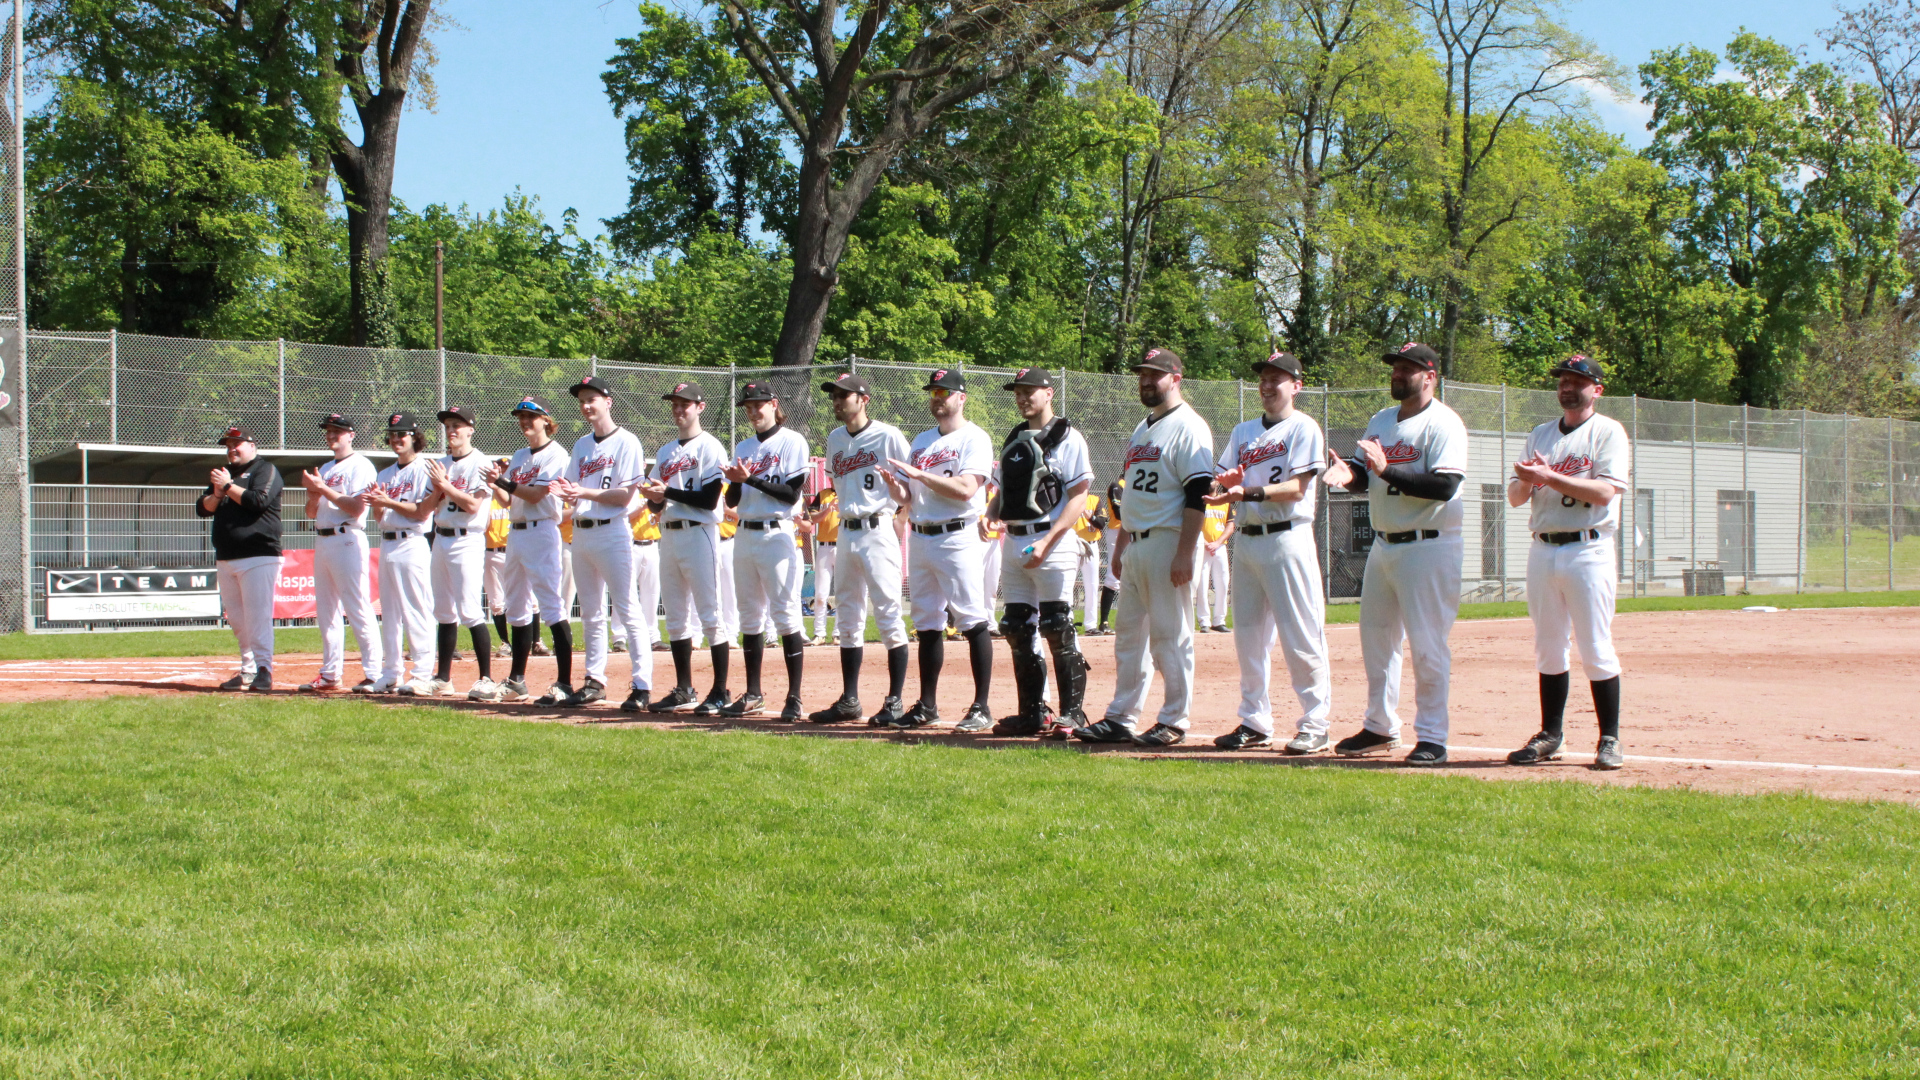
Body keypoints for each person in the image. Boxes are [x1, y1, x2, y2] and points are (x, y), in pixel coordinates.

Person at [1322, 342, 1469, 766]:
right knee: (1378, 641)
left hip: (1431, 544)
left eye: (1407, 368)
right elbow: (1364, 478)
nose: (1397, 374)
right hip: (1385, 545)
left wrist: (1386, 470)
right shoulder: (1382, 420)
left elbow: (1445, 487)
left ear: (1430, 376)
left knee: (1427, 644)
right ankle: (1380, 726)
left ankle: (1433, 737)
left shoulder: (1444, 423)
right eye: (1395, 367)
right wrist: (1346, 475)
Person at [1075, 347, 1214, 748]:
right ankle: (1121, 717)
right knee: (1129, 637)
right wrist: (1121, 545)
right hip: (1137, 542)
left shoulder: (1190, 426)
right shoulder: (1143, 428)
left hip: (1170, 540)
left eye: (1156, 374)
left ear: (1176, 379)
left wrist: (1186, 552)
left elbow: (1198, 494)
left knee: (1171, 636)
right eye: (1142, 374)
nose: (1147, 381)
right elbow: (1132, 495)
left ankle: (1175, 719)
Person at [1504, 355, 1629, 771]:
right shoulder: (1541, 434)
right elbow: (1516, 497)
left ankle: (1609, 738)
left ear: (1597, 389)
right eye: (1562, 380)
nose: (1567, 386)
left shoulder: (1608, 432)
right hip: (1543, 547)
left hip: (1588, 549)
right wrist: (1528, 478)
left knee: (1595, 644)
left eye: (1578, 380)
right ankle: (1550, 734)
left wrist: (1548, 477)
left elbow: (1605, 493)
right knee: (1548, 645)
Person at [1204, 352, 1334, 754]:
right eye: (1263, 378)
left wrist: (1249, 491)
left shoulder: (1303, 427)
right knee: (1248, 639)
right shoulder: (1243, 432)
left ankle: (1315, 723)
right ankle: (1255, 721)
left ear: (1296, 386)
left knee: (1301, 635)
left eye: (1276, 378)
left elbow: (1297, 488)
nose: (1266, 384)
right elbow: (1221, 483)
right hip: (1248, 540)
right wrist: (1221, 485)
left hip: (1288, 538)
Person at [884, 368, 996, 732]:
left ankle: (981, 707)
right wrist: (895, 488)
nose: (938, 398)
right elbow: (908, 496)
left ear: (961, 397)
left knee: (971, 618)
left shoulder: (974, 438)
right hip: (921, 535)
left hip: (958, 536)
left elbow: (965, 488)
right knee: (927, 622)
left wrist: (918, 476)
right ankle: (927, 704)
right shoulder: (920, 441)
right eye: (934, 392)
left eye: (944, 392)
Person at [984, 366, 1094, 737]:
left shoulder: (1068, 437)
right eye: (1018, 391)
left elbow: (1078, 496)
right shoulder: (1015, 436)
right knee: (1016, 626)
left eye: (1030, 390)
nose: (1022, 397)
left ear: (1049, 393)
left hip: (1053, 540)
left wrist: (1048, 543)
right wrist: (990, 513)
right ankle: (1034, 711)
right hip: (1014, 539)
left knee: (1056, 625)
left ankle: (1073, 714)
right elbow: (1004, 491)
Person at [808, 371, 912, 725]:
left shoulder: (888, 435)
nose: (837, 400)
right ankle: (849, 700)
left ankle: (895, 700)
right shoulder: (835, 438)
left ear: (863, 399)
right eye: (834, 395)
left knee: (888, 615)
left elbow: (910, 483)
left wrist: (899, 518)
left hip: (878, 529)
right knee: (848, 618)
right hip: (846, 533)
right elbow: (839, 484)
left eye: (844, 395)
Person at [551, 374, 654, 711]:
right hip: (581, 532)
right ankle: (594, 681)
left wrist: (582, 491)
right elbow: (571, 485)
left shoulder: (627, 442)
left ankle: (642, 685)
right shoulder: (581, 446)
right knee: (592, 613)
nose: (585, 405)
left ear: (608, 402)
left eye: (591, 399)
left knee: (627, 608)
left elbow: (624, 496)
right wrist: (565, 493)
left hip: (612, 531)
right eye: (582, 400)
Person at [720, 379, 812, 721]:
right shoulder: (743, 446)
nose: (753, 410)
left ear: (774, 404)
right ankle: (754, 693)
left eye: (759, 404)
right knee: (749, 616)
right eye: (748, 406)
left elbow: (790, 495)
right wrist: (733, 481)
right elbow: (733, 499)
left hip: (778, 533)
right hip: (745, 533)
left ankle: (795, 697)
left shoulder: (792, 441)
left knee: (786, 615)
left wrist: (750, 480)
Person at [641, 380, 732, 715]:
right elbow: (656, 504)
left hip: (700, 533)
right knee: (676, 617)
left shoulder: (710, 447)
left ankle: (720, 691)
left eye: (685, 404)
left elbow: (709, 500)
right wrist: (654, 499)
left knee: (710, 615)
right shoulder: (665, 452)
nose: (679, 410)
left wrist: (667, 493)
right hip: (669, 533)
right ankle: (684, 689)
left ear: (700, 407)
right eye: (675, 405)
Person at [488, 397, 573, 706]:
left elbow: (537, 495)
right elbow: (510, 501)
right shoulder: (521, 455)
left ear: (546, 420)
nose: (525, 421)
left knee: (551, 606)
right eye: (521, 416)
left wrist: (502, 482)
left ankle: (564, 683)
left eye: (531, 416)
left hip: (542, 532)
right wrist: (493, 484)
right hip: (517, 533)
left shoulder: (556, 453)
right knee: (516, 607)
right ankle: (516, 681)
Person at [417, 404, 499, 701]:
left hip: (467, 539)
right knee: (443, 611)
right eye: (448, 425)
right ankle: (443, 679)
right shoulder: (440, 463)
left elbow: (474, 505)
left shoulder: (479, 462)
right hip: (441, 537)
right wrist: (438, 489)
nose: (452, 430)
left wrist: (444, 485)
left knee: (469, 609)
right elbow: (425, 509)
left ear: (470, 429)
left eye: (457, 425)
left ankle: (487, 678)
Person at [298, 413, 383, 692]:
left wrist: (323, 487)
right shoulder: (326, 467)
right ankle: (330, 673)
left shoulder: (361, 465)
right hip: (323, 539)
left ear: (351, 435)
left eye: (338, 430)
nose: (332, 435)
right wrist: (313, 494)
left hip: (347, 537)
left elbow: (358, 507)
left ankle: (375, 672)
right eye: (329, 431)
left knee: (357, 606)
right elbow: (312, 513)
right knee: (326, 612)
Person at [198, 424, 282, 692]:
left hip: (258, 554)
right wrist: (218, 492)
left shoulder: (264, 469)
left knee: (257, 617)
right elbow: (203, 508)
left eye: (237, 444)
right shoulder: (223, 475)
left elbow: (258, 500)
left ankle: (264, 670)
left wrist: (228, 486)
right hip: (226, 557)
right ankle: (247, 671)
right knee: (237, 619)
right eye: (228, 445)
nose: (232, 449)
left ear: (252, 446)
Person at [361, 412, 436, 696]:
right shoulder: (385, 473)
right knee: (389, 613)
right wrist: (377, 503)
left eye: (402, 434)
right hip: (388, 541)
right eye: (393, 434)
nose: (396, 439)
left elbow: (420, 512)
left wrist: (387, 500)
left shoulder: (425, 468)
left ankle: (422, 674)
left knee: (416, 610)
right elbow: (381, 518)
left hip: (412, 542)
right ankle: (391, 673)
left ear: (415, 437)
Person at [612, 495, 661, 654]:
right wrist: (642, 506)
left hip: (651, 544)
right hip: (629, 544)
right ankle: (619, 636)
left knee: (652, 593)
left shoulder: (651, 490)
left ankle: (653, 637)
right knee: (624, 592)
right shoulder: (626, 491)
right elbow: (619, 516)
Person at [806, 487, 840, 644]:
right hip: (824, 547)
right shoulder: (824, 494)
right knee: (820, 594)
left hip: (843, 545)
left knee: (842, 592)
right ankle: (819, 633)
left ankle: (838, 633)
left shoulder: (849, 490)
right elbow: (812, 517)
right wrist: (827, 511)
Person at [484, 481, 512, 656]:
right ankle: (505, 643)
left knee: (529, 601)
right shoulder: (486, 500)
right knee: (496, 602)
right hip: (491, 553)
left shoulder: (513, 499)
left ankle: (536, 642)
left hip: (513, 551)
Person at [1093, 478, 1123, 635]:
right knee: (1113, 577)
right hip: (1118, 532)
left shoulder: (1133, 484)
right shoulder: (1117, 485)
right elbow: (1118, 513)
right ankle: (1104, 622)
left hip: (1133, 530)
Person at [1197, 500, 1233, 632]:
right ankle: (1204, 621)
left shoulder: (1225, 502)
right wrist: (1205, 542)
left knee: (1223, 584)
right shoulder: (1201, 500)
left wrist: (1217, 542)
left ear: (1218, 482)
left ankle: (1219, 621)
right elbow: (1193, 522)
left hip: (1220, 546)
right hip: (1202, 546)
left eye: (1214, 479)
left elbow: (1230, 524)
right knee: (1202, 585)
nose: (1212, 481)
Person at [1071, 489, 1104, 632]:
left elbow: (1102, 523)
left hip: (1091, 545)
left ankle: (1091, 625)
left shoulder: (1095, 500)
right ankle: (1068, 621)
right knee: (1068, 584)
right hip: (1073, 544)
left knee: (1092, 585)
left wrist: (1091, 517)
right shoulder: (1070, 498)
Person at [978, 486, 1003, 633]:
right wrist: (995, 526)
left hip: (994, 543)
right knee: (977, 583)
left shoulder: (994, 497)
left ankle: (991, 623)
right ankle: (977, 622)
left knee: (992, 584)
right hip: (978, 541)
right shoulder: (974, 496)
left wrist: (1001, 526)